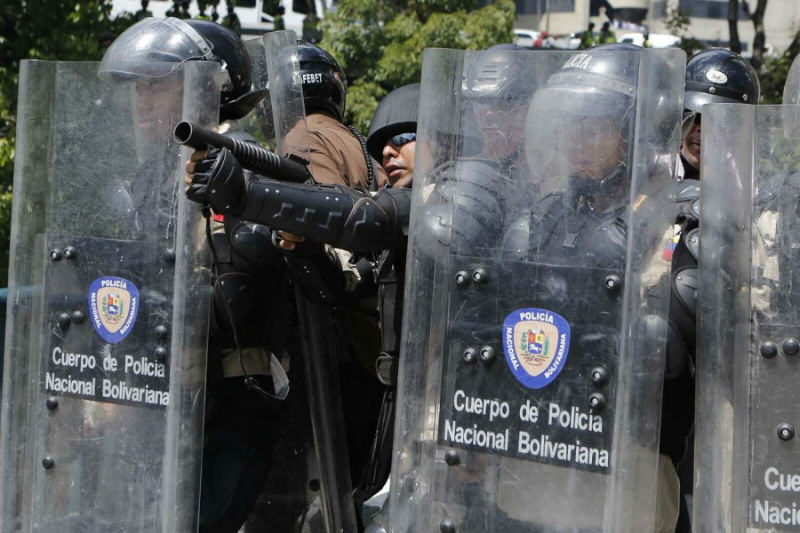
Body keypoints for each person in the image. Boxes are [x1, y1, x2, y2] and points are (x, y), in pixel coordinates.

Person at [662, 47, 760, 533]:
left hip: (734, 389)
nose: (703, 130)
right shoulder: (648, 189)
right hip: (664, 390)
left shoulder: (762, 197)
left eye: (720, 119)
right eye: (694, 117)